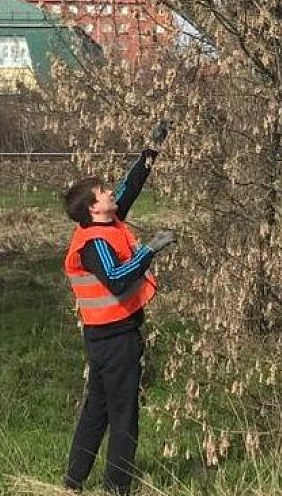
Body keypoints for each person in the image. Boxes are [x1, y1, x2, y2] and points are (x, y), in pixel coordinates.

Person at [61, 121, 174, 495]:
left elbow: (130, 187)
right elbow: (118, 278)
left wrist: (150, 151)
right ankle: (117, 487)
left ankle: (73, 481)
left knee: (98, 408)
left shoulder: (107, 221)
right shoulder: (94, 243)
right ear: (94, 208)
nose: (111, 192)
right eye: (103, 191)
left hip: (106, 337)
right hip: (114, 339)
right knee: (124, 413)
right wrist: (151, 249)